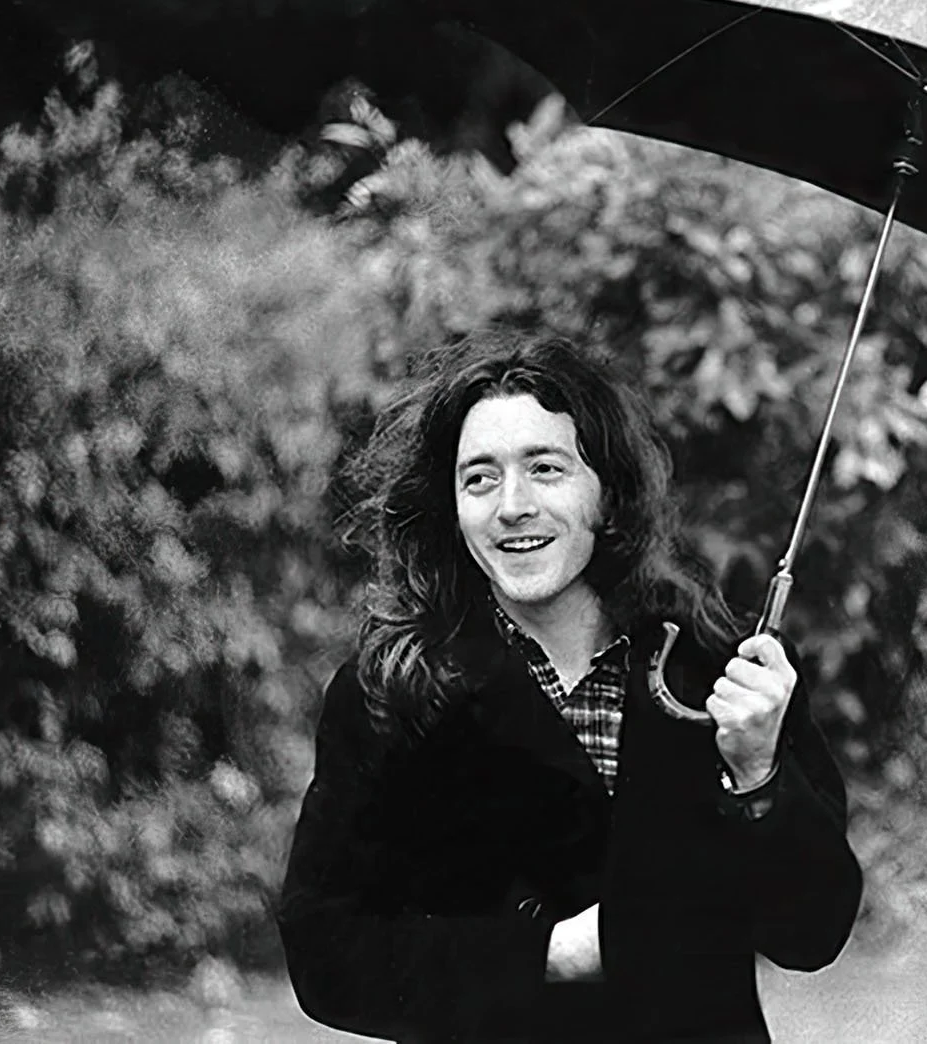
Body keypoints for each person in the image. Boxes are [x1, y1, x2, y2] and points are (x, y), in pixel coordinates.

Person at [278, 329, 862, 1043]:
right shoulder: (394, 692)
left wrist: (759, 777)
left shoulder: (723, 672)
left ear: (607, 493)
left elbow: (812, 933)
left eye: (546, 469)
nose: (512, 505)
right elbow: (326, 952)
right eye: (479, 478)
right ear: (452, 509)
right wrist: (551, 953)